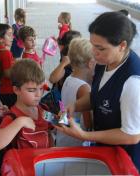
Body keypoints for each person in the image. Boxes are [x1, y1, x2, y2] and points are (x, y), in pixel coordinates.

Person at [55, 12, 140, 171]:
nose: (94, 52)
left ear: (122, 45)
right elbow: (98, 96)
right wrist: (74, 105)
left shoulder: (133, 83)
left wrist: (84, 136)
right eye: (92, 44)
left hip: (125, 160)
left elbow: (132, 135)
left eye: (100, 48)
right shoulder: (104, 61)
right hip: (105, 151)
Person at [0, 59, 53, 150]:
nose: (38, 94)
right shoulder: (12, 117)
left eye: (41, 89)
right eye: (31, 90)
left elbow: (58, 124)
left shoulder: (43, 110)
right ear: (16, 90)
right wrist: (20, 122)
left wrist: (64, 117)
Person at [56, 38, 95, 147]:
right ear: (91, 63)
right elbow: (88, 124)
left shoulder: (69, 78)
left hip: (64, 135)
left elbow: (63, 106)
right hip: (76, 141)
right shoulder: (84, 88)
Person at [0, 23, 16, 108]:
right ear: (0, 39)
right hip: (7, 91)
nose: (12, 37)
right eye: (9, 35)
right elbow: (8, 74)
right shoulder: (6, 53)